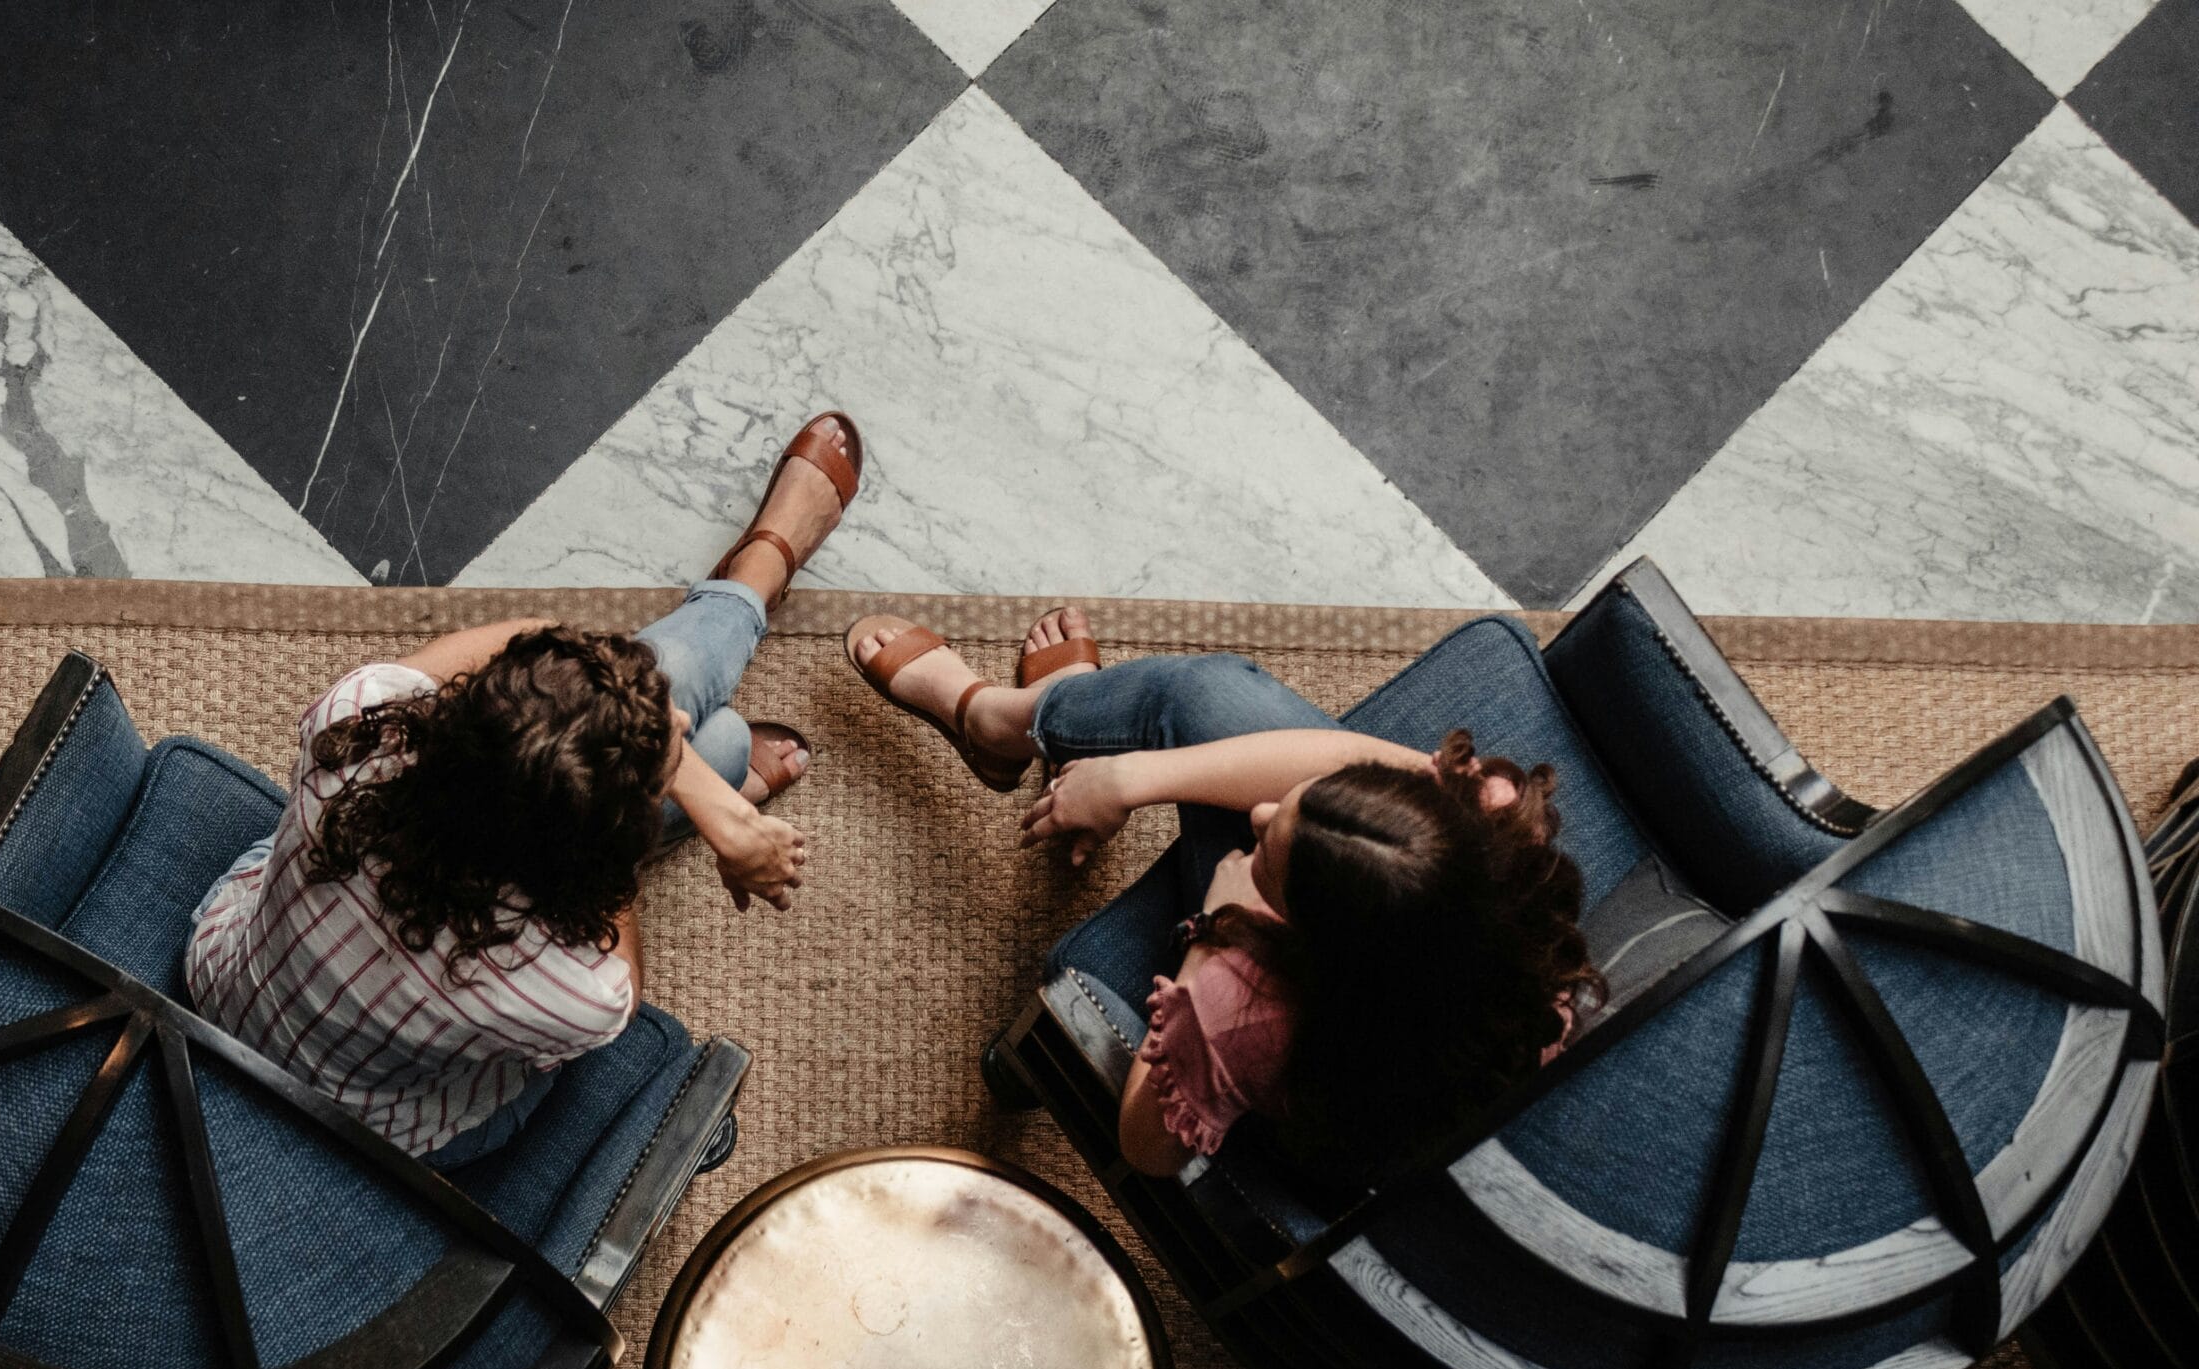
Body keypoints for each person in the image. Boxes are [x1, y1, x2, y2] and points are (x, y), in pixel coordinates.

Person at [186, 413, 861, 1166]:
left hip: (223, 990)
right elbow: (618, 958)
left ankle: (746, 605)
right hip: (386, 1135)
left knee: (686, 723)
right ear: (598, 857)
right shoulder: (576, 994)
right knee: (718, 735)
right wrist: (698, 796)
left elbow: (543, 643)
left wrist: (696, 790)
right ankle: (758, 576)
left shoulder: (355, 730)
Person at [847, 604, 1599, 1196]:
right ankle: (1036, 730)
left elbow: (1147, 1149)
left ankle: (998, 722)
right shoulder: (1491, 850)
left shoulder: (1248, 1011)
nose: (1264, 816)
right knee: (1205, 714)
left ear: (1302, 938)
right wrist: (1135, 781)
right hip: (1402, 1013)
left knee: (1194, 695)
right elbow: (1356, 770)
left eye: (1273, 852)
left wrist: (1217, 931)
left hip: (1321, 1122)